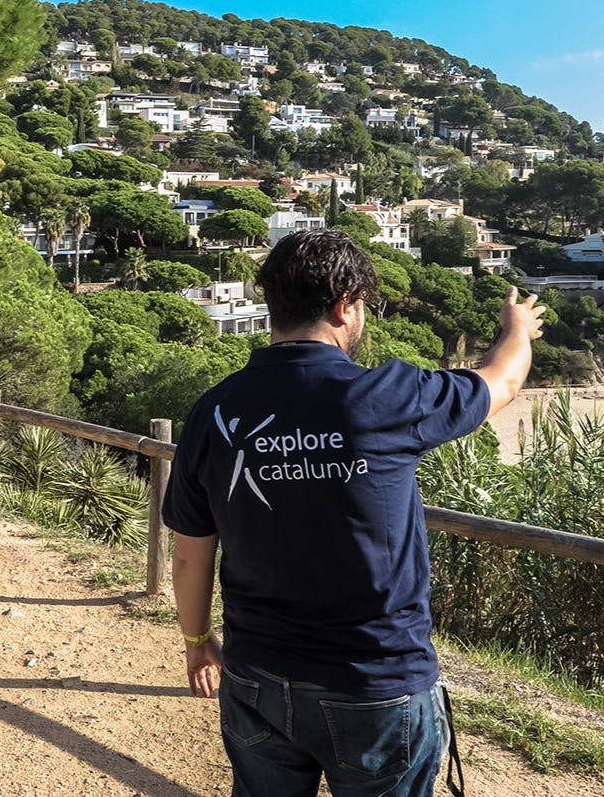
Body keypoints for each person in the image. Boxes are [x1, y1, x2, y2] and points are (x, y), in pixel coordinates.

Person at [163, 228, 544, 797]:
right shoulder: (390, 396)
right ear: (345, 306)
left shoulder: (214, 411)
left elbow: (190, 556)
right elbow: (504, 381)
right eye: (362, 305)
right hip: (376, 683)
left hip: (258, 674)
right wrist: (516, 327)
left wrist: (198, 640)